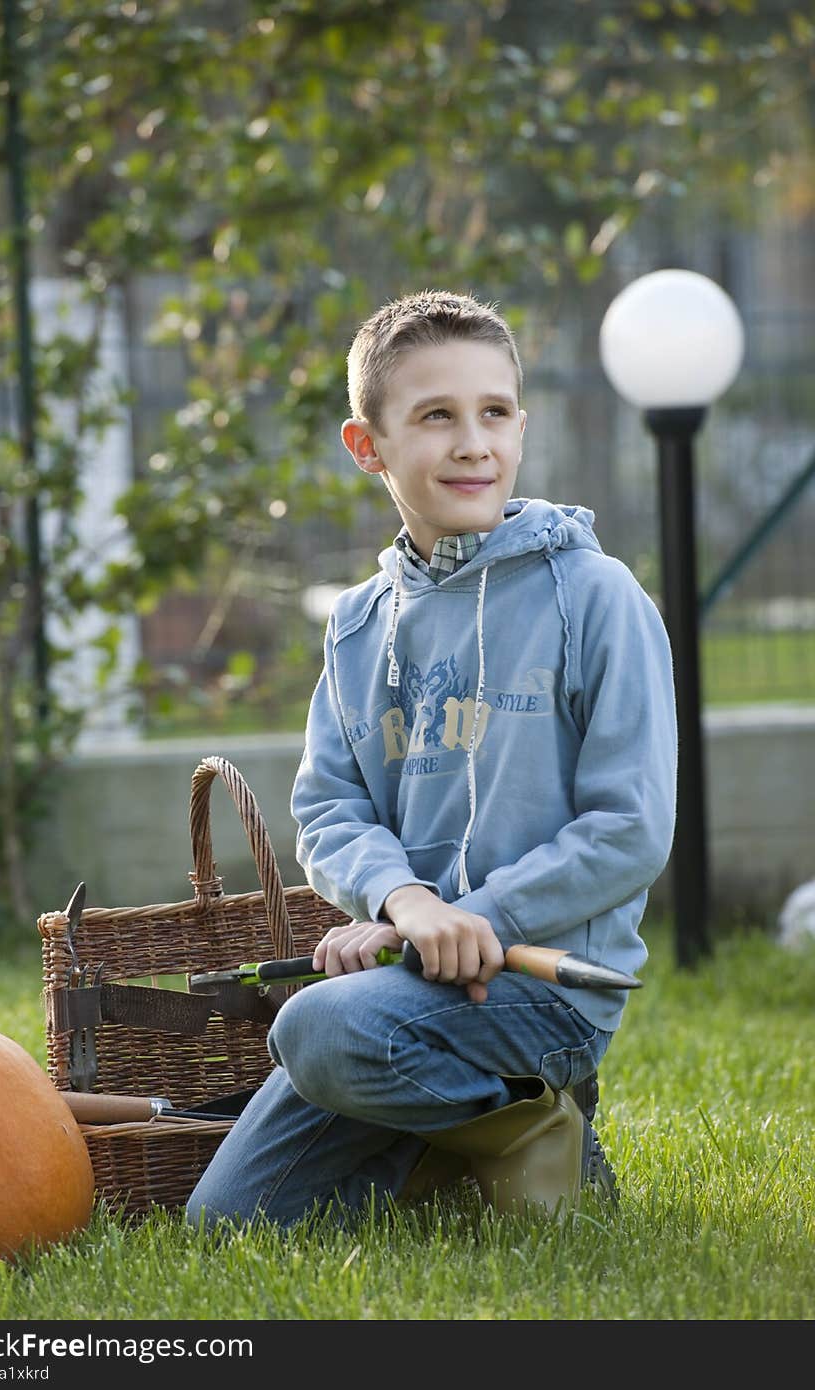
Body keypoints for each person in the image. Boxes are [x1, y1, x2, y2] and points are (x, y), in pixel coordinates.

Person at [186, 288, 677, 1231]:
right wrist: (403, 906)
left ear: (522, 428)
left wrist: (474, 919)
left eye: (494, 412)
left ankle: (534, 1119)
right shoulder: (360, 624)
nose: (472, 443)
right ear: (367, 445)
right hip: (409, 981)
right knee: (229, 1224)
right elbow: (329, 809)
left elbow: (629, 829)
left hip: (543, 986)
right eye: (436, 416)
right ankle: (494, 1132)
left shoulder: (596, 597)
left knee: (314, 1027)